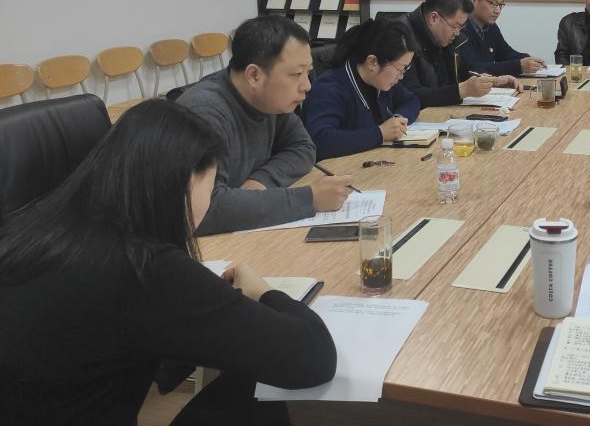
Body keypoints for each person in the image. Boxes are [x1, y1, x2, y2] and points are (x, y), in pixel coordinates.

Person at [0, 100, 337, 425]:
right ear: (186, 182)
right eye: (211, 187)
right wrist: (263, 292)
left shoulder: (31, 229)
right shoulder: (144, 269)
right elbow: (312, 358)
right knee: (251, 389)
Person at [177, 15, 353, 235]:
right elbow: (202, 210)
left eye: (308, 72)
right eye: (296, 74)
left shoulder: (270, 100)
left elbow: (303, 148)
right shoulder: (204, 112)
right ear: (254, 75)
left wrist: (261, 181)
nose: (307, 85)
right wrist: (310, 199)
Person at [304, 19, 421, 160]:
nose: (401, 76)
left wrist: (398, 120)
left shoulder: (381, 81)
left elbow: (411, 101)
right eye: (400, 69)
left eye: (405, 69)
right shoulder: (329, 88)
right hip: (340, 169)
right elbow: (320, 141)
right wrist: (380, 133)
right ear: (372, 62)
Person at [401, 0, 519, 108]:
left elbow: (468, 68)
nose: (457, 33)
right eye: (455, 26)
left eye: (461, 27)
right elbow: (410, 94)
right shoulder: (400, 37)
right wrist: (461, 90)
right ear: (434, 18)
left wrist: (493, 81)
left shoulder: (449, 37)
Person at [460, 0, 546, 76]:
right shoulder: (460, 28)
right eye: (493, 3)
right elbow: (473, 68)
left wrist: (528, 59)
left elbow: (505, 54)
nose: (497, 10)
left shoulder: (491, 27)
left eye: (501, 5)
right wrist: (519, 65)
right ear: (473, 0)